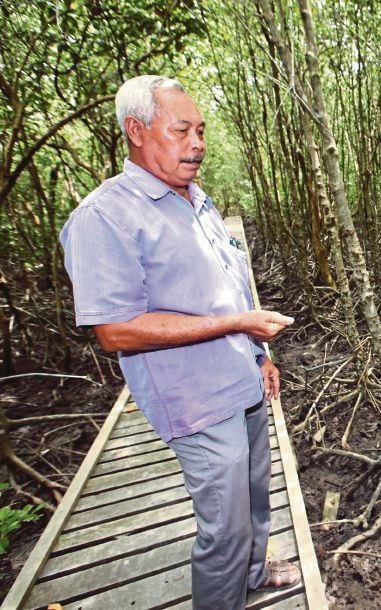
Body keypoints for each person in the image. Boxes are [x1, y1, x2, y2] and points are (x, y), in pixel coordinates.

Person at [60, 75, 300, 609]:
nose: (198, 143)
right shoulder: (103, 218)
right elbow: (115, 329)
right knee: (225, 527)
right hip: (195, 398)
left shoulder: (196, 199)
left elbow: (230, 287)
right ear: (136, 131)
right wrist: (237, 325)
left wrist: (260, 353)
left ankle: (255, 572)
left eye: (201, 130)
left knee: (257, 494)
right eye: (182, 130)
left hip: (243, 377)